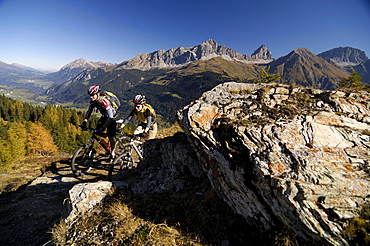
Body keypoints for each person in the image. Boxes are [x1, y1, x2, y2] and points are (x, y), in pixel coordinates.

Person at [81, 85, 118, 159]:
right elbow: (89, 111)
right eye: (90, 95)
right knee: (96, 132)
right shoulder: (93, 101)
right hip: (105, 116)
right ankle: (107, 141)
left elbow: (110, 117)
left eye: (92, 95)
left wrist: (103, 127)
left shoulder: (104, 101)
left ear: (97, 93)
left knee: (110, 136)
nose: (91, 97)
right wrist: (85, 121)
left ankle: (112, 153)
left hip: (112, 117)